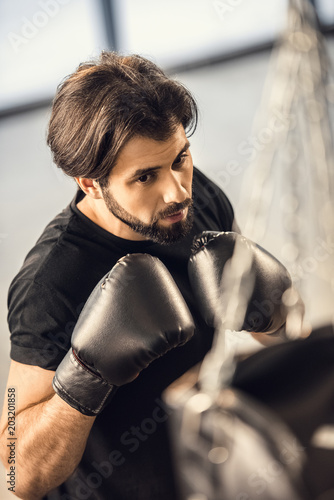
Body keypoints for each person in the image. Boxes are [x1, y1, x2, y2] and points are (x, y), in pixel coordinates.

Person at [0, 51, 286, 500]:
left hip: (204, 470)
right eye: (145, 176)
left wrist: (274, 313)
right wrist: (85, 376)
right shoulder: (50, 285)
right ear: (89, 182)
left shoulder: (194, 200)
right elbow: (18, 474)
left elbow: (277, 330)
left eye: (181, 158)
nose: (176, 190)